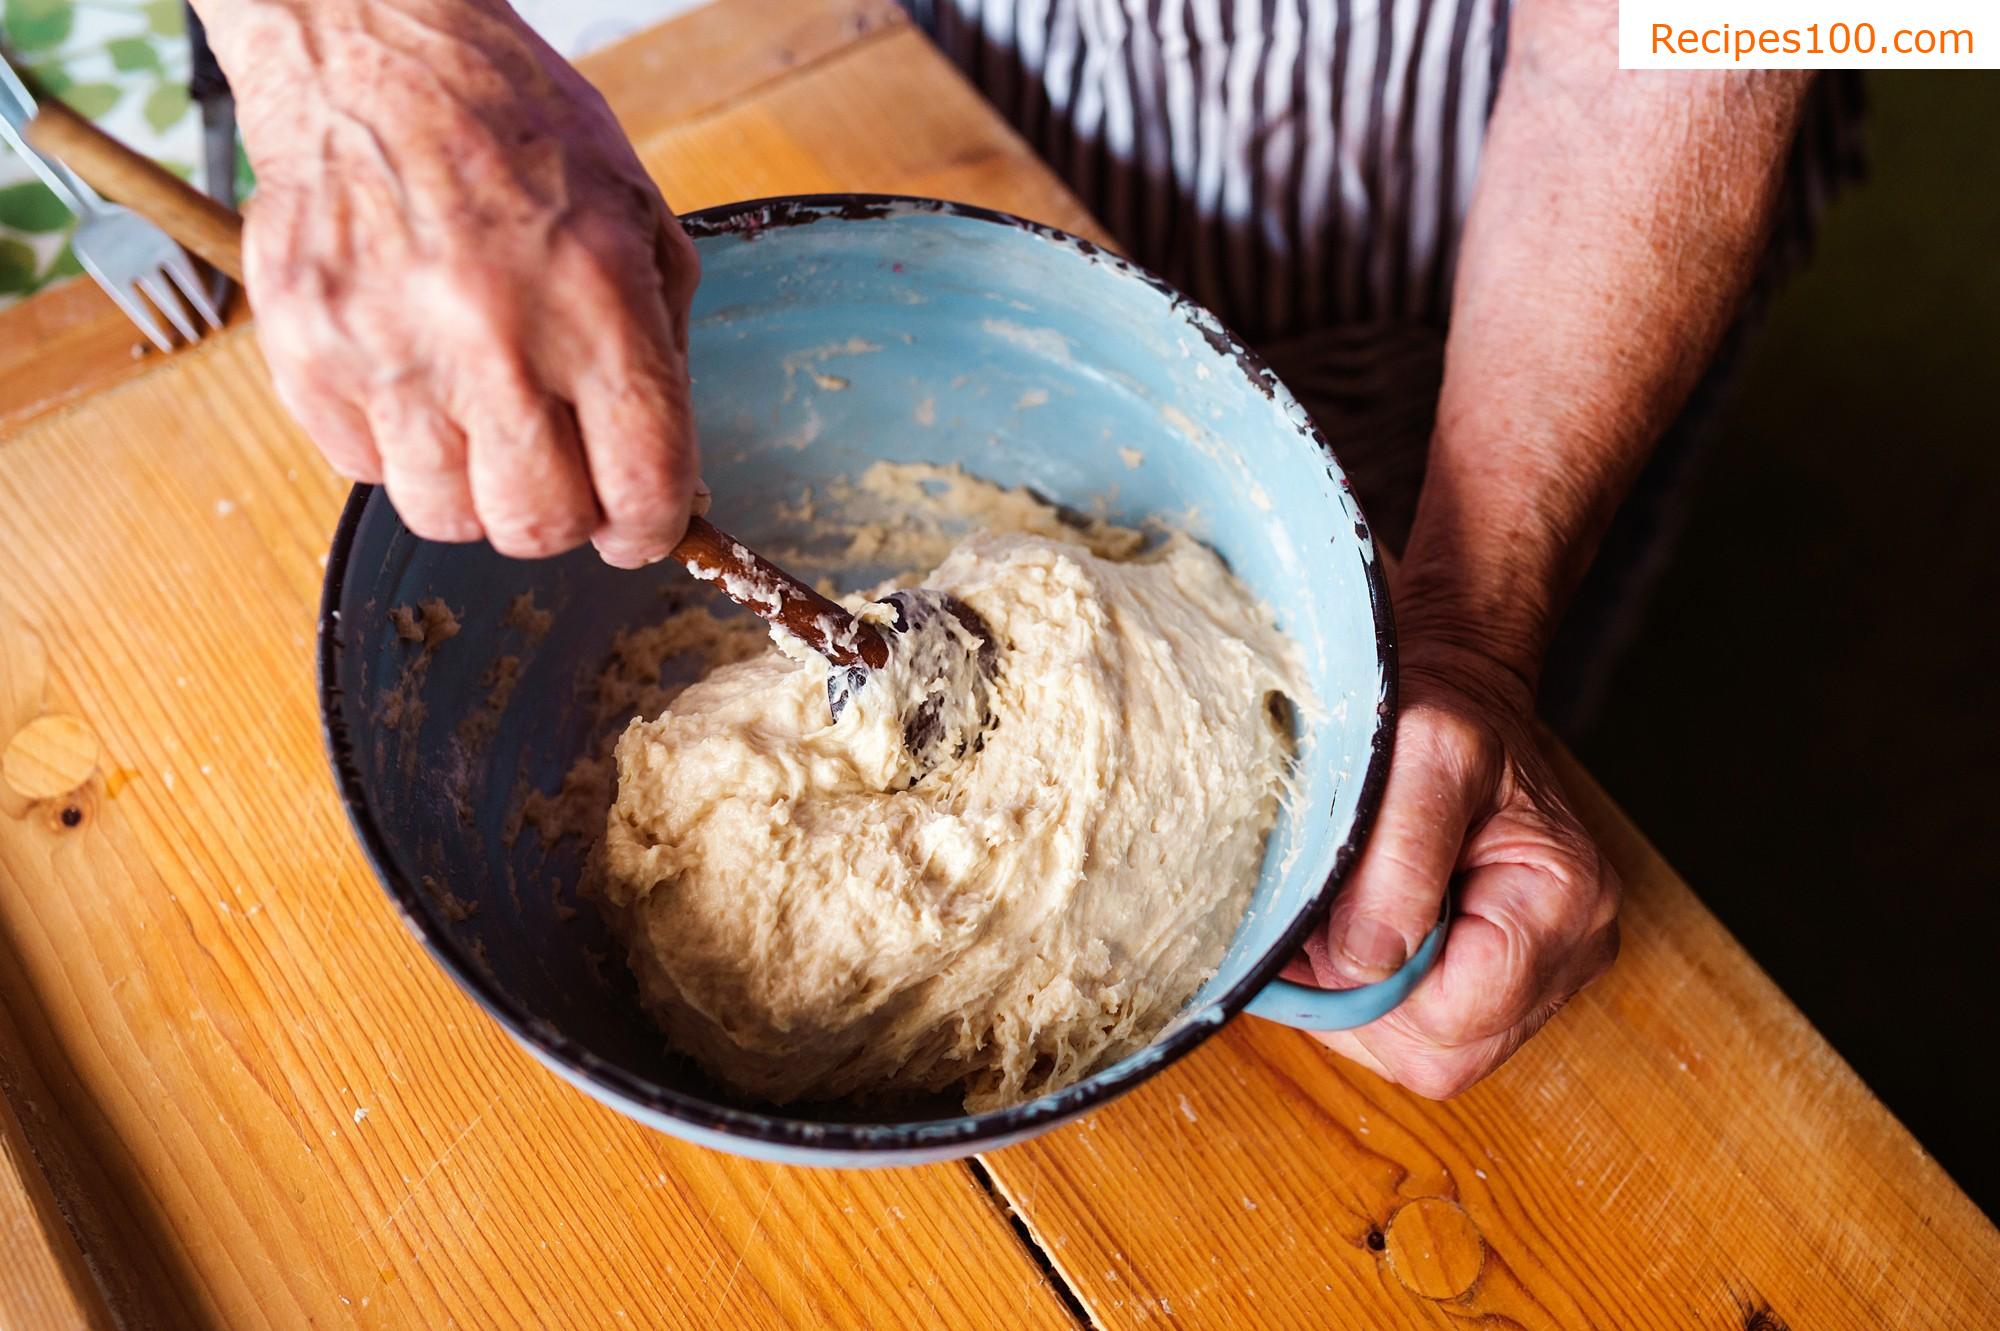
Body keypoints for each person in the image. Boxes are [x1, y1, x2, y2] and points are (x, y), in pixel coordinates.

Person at [184, 0, 1850, 1098]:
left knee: (1517, 681)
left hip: (1530, 210)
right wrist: (352, 51)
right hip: (976, 68)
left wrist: (1480, 632)